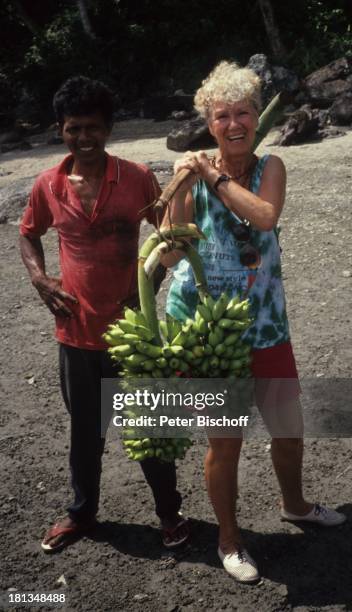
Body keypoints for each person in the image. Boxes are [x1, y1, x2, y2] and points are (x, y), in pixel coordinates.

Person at [162, 61, 346, 583]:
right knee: (226, 442)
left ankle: (296, 504)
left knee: (289, 430)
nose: (234, 122)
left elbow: (263, 218)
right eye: (222, 115)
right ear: (209, 123)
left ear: (255, 118)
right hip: (212, 334)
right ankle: (229, 538)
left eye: (243, 111)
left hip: (266, 326)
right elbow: (173, 257)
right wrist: (177, 188)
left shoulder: (272, 168)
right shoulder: (192, 179)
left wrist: (211, 174)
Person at [19, 76, 189, 552]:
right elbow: (27, 234)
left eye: (93, 128)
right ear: (61, 129)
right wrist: (39, 278)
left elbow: (168, 238)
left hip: (134, 333)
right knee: (85, 435)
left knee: (151, 429)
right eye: (74, 129)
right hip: (75, 334)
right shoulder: (47, 184)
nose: (84, 138)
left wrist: (149, 286)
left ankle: (170, 513)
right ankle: (82, 514)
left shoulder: (136, 177)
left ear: (109, 128)